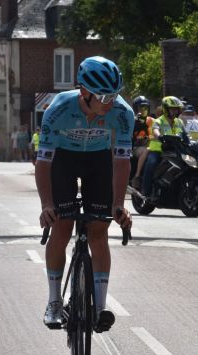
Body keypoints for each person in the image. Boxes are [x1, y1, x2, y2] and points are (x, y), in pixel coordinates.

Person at [35, 56, 133, 331]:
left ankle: (100, 307)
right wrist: (47, 205)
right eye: (103, 96)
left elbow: (121, 160)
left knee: (98, 231)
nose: (110, 102)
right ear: (84, 91)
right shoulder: (58, 109)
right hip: (63, 161)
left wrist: (118, 204)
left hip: (98, 161)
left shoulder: (123, 112)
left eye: (114, 95)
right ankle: (54, 301)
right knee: (62, 226)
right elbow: (43, 163)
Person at [142, 96, 186, 198]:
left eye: (176, 109)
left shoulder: (179, 122)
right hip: (159, 150)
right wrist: (160, 136)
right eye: (172, 109)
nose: (175, 111)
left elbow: (185, 134)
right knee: (151, 163)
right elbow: (155, 130)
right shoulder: (159, 121)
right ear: (166, 109)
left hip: (175, 150)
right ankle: (146, 191)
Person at [130, 95, 154, 190]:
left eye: (145, 107)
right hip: (135, 148)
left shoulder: (152, 120)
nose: (143, 109)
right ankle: (137, 176)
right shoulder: (132, 120)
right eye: (141, 107)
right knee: (146, 150)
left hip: (150, 146)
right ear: (136, 108)